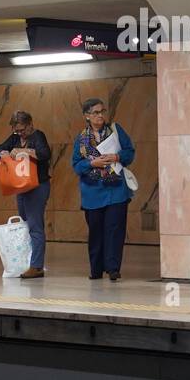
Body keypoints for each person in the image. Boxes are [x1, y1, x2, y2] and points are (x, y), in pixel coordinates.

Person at [71, 98, 135, 281]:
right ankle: (96, 269)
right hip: (92, 193)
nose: (100, 116)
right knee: (96, 232)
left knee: (115, 230)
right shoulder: (81, 138)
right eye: (95, 113)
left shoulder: (115, 130)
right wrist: (92, 163)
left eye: (102, 112)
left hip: (116, 191)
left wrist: (117, 156)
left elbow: (130, 152)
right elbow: (76, 165)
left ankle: (113, 268)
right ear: (87, 116)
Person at [0, 111, 52, 279]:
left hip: (37, 186)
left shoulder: (37, 136)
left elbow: (44, 154)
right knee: (25, 225)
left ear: (30, 124)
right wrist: (3, 153)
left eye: (22, 130)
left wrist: (22, 151)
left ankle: (36, 266)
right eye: (16, 130)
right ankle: (26, 261)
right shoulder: (14, 137)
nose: (20, 133)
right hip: (21, 186)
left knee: (35, 225)